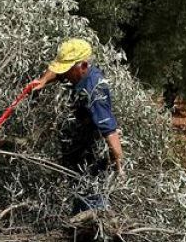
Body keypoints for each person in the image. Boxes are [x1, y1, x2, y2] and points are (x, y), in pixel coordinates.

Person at [31, 39, 123, 213]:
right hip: (77, 150)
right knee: (79, 195)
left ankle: (92, 230)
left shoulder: (95, 90)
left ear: (83, 66)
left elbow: (109, 129)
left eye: (67, 69)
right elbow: (57, 73)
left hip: (92, 157)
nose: (63, 73)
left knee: (91, 201)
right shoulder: (76, 74)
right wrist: (43, 80)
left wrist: (118, 163)